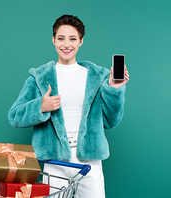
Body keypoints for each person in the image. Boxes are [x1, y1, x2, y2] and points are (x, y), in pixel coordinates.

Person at [8, 14, 129, 198]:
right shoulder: (39, 76)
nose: (66, 44)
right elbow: (14, 116)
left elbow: (111, 121)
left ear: (81, 41)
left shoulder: (97, 76)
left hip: (89, 159)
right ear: (53, 40)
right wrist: (41, 106)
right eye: (61, 38)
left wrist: (113, 89)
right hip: (55, 161)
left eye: (73, 39)